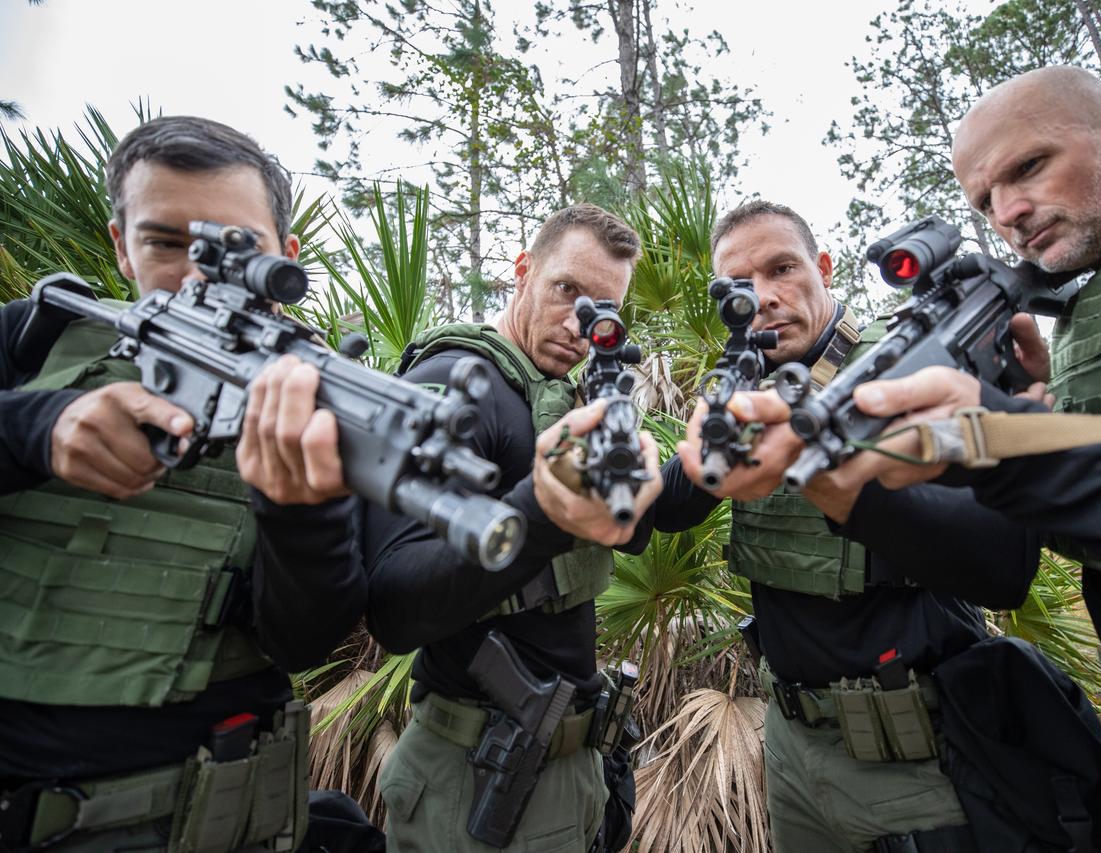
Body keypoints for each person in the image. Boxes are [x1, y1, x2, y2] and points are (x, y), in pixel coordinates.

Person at [800, 66, 1101, 852]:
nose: (1010, 214)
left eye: (1028, 167)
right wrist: (1034, 398)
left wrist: (997, 436)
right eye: (984, 201)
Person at [0, 116, 371, 850]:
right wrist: (35, 428)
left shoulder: (321, 403)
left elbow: (303, 640)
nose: (203, 275)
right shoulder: (36, 342)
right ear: (121, 246)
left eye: (242, 251)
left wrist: (303, 514)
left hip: (224, 812)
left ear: (286, 259)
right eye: (168, 243)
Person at [655, 200, 1046, 853]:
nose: (766, 297)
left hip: (917, 755)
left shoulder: (915, 367)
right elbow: (669, 507)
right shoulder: (749, 386)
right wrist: (721, 423)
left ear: (824, 267)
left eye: (782, 268)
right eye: (740, 287)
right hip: (792, 748)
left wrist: (843, 481)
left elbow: (1005, 564)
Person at [365, 203, 663, 852]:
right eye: (566, 290)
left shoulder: (564, 396)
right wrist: (542, 513)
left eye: (601, 308)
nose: (578, 322)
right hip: (476, 774)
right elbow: (393, 604)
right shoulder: (459, 380)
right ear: (523, 270)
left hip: (567, 764)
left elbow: (635, 528)